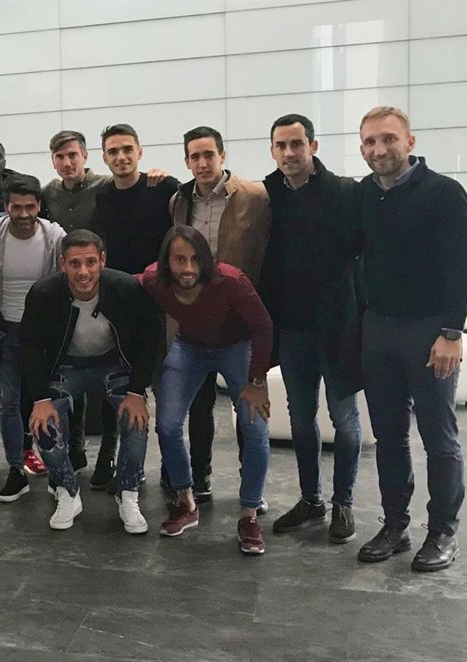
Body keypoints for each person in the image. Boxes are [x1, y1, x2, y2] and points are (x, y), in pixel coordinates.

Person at [352, 106, 467, 572]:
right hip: (378, 328)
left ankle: (443, 531)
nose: (379, 149)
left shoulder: (443, 193)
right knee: (388, 437)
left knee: (439, 438)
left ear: (410, 142)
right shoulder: (364, 195)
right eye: (370, 141)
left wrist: (451, 333)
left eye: (388, 138)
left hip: (429, 330)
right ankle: (395, 526)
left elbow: (462, 266)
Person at [259, 114, 363, 544]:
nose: (289, 153)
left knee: (345, 419)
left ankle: (343, 503)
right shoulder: (267, 195)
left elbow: (364, 256)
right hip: (294, 330)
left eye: (296, 144)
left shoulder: (344, 192)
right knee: (301, 419)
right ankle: (311, 500)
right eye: (280, 146)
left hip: (339, 327)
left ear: (313, 146)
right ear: (272, 151)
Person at [141, 226, 273, 555]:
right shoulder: (155, 280)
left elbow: (262, 325)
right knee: (167, 425)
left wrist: (257, 382)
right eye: (179, 259)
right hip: (190, 348)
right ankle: (186, 501)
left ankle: (249, 514)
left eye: (195, 259)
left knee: (255, 427)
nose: (188, 268)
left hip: (236, 348)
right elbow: (123, 285)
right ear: (167, 261)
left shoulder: (231, 282)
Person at [21, 231, 159, 533]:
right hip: (67, 366)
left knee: (136, 421)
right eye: (75, 264)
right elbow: (29, 346)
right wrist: (41, 399)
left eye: (90, 262)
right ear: (63, 264)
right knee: (43, 426)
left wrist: (137, 391)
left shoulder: (126, 288)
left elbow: (150, 341)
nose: (83, 272)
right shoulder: (43, 293)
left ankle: (127, 492)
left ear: (102, 261)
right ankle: (67, 491)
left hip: (113, 363)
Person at [169, 125, 270, 506]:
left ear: (222, 156)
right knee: (199, 407)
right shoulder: (179, 201)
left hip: (239, 321)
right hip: (195, 320)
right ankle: (200, 478)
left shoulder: (255, 197)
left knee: (248, 410)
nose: (202, 163)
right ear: (186, 161)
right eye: (194, 156)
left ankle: (251, 489)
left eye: (208, 154)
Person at [86, 124, 181, 489]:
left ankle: (174, 470)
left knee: (164, 390)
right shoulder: (102, 197)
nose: (121, 156)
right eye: (113, 151)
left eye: (127, 149)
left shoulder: (164, 188)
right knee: (118, 387)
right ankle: (116, 461)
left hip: (163, 305)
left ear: (140, 151)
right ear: (104, 158)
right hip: (120, 306)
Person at [0, 174, 67, 502]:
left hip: (41, 334)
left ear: (39, 206)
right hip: (5, 330)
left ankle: (57, 470)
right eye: (16, 207)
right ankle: (15, 470)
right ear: (6, 207)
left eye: (30, 207)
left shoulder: (55, 238)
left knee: (49, 401)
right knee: (8, 401)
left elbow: (64, 285)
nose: (23, 214)